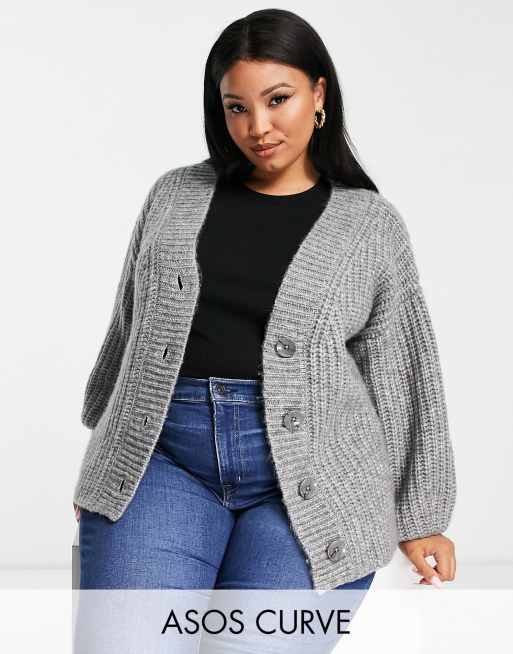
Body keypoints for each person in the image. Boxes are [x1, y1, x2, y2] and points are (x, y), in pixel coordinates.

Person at [72, 8, 457, 652]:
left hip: (319, 479)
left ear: (319, 94)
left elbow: (404, 372)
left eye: (278, 99)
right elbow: (129, 327)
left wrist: (422, 515)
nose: (258, 127)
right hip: (162, 464)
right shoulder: (174, 195)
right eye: (236, 107)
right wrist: (108, 457)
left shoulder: (370, 225)